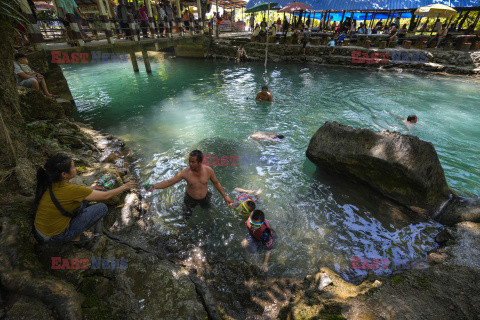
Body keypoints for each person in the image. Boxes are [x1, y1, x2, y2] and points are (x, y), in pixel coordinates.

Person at [34, 154, 136, 244]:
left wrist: (94, 188)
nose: (76, 168)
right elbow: (106, 196)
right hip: (54, 237)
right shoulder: (72, 190)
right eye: (73, 167)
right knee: (102, 207)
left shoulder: (51, 183)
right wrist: (125, 186)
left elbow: (78, 193)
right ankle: (74, 237)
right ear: (64, 174)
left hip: (40, 231)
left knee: (84, 199)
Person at [149, 150, 233, 218]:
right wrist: (155, 186)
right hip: (190, 199)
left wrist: (225, 196)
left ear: (200, 162)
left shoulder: (209, 171)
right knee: (185, 217)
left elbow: (216, 183)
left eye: (193, 162)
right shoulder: (185, 173)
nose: (190, 164)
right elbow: (169, 182)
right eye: (189, 161)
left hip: (205, 197)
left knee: (210, 212)